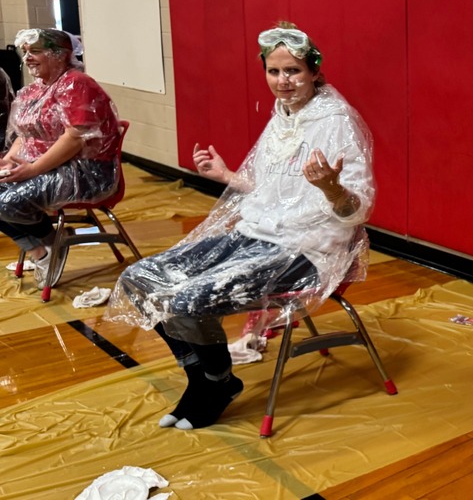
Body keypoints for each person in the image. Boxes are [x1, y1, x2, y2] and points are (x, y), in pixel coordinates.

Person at [107, 23, 375, 430]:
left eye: (293, 71)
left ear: (314, 72)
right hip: (256, 234)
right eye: (274, 71)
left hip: (307, 248)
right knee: (140, 278)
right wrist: (228, 175)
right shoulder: (283, 117)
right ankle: (208, 378)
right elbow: (273, 191)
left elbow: (356, 211)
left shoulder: (337, 122)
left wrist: (332, 187)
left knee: (186, 300)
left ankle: (213, 382)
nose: (282, 82)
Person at [0, 29, 120, 288]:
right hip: (51, 167)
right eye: (26, 52)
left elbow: (75, 138)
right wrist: (9, 160)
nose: (28, 58)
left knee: (7, 203)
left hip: (88, 173)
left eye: (36, 51)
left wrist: (31, 170)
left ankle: (49, 241)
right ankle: (42, 250)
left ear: (60, 55)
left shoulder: (76, 84)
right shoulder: (34, 90)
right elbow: (25, 134)